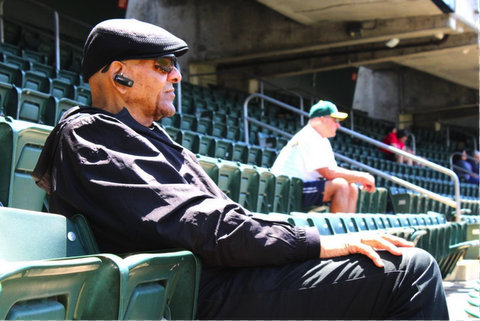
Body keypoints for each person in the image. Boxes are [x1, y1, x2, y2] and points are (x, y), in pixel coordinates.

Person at [32, 18, 448, 320]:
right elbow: (199, 224)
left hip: (222, 278)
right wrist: (315, 242)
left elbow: (221, 221)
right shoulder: (90, 133)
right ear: (119, 74)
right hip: (195, 293)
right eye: (162, 65)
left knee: (395, 261)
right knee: (408, 272)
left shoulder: (143, 135)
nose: (176, 75)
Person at [271, 100, 375, 213]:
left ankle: (348, 228)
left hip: (300, 187)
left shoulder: (322, 139)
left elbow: (332, 173)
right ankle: (337, 229)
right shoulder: (309, 135)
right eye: (335, 120)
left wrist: (358, 178)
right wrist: (361, 176)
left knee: (352, 187)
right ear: (321, 119)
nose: (338, 125)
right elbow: (329, 174)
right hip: (287, 189)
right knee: (340, 185)